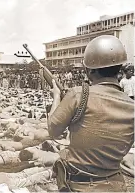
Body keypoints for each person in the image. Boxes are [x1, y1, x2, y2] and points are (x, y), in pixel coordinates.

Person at [48, 35, 134, 192]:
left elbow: (53, 130)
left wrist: (56, 98)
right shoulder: (132, 106)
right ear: (119, 69)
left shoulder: (78, 94)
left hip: (80, 186)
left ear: (89, 70)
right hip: (116, 186)